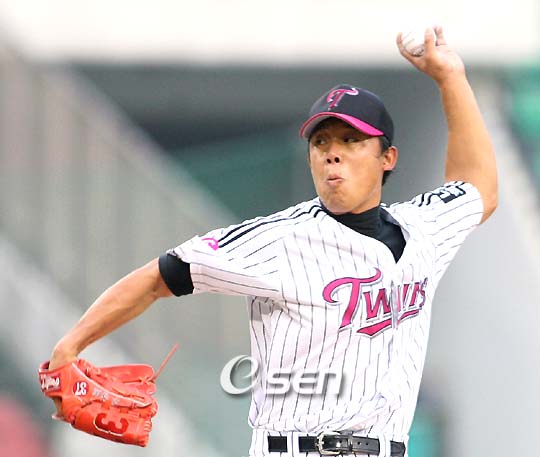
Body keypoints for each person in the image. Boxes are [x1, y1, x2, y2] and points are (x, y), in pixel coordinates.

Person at [47, 26, 497, 457]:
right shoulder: (279, 239)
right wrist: (69, 348)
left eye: (351, 140)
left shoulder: (423, 229)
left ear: (388, 158)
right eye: (321, 142)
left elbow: (479, 188)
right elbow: (157, 277)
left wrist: (450, 78)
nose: (332, 153)